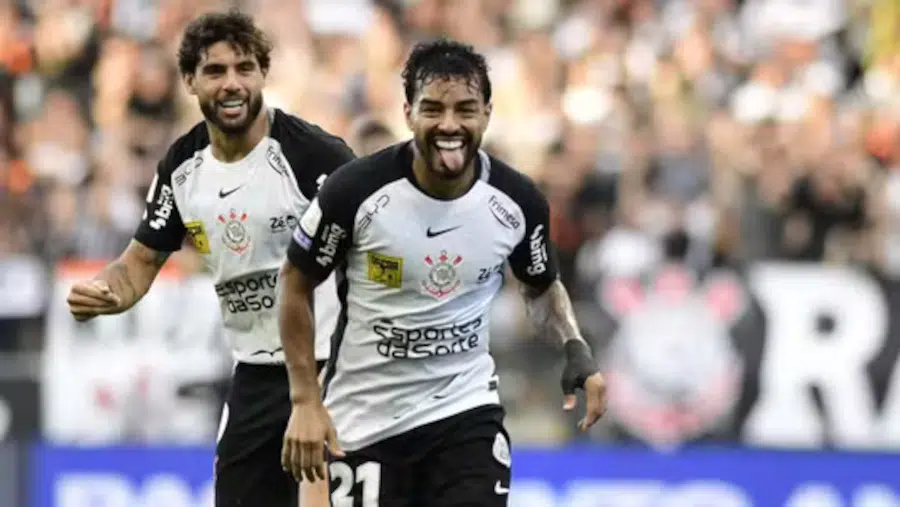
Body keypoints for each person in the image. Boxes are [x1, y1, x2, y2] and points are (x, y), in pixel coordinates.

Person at [278, 38, 607, 506]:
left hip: (464, 413)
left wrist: (574, 346)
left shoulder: (517, 201)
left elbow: (539, 287)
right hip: (364, 422)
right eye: (433, 109)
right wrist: (305, 400)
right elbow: (295, 282)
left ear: (487, 114)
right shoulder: (354, 192)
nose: (449, 125)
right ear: (408, 112)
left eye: (465, 109)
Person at [64, 10, 354, 507]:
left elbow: (373, 244)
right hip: (254, 373)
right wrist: (106, 291)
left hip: (332, 369)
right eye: (215, 71)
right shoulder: (182, 165)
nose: (232, 83)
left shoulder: (314, 156)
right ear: (190, 82)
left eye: (244, 68)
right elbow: (138, 263)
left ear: (263, 74)